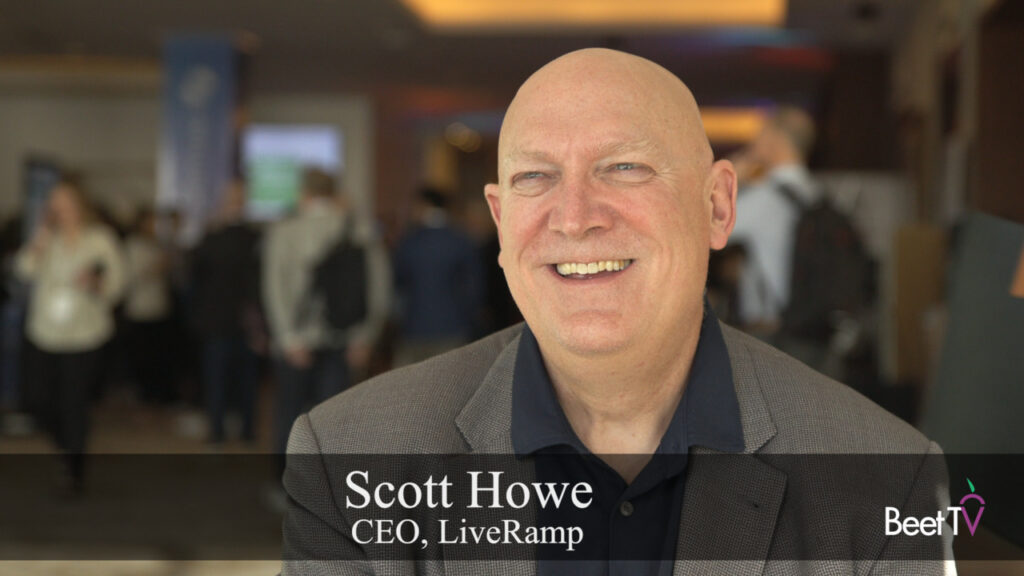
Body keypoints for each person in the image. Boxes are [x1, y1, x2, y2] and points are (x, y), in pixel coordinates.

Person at [282, 49, 951, 574]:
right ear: (501, 220)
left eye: (625, 167)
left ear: (717, 207)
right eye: (536, 176)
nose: (575, 218)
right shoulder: (346, 458)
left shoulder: (887, 480)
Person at [263, 168, 391, 466]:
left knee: (291, 415)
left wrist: (287, 338)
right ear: (334, 192)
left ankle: (287, 482)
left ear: (303, 193)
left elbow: (274, 288)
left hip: (298, 335)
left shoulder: (285, 231)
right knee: (337, 418)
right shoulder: (360, 229)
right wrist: (366, 335)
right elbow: (378, 287)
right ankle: (334, 484)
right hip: (346, 335)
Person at [14, 179, 125, 491]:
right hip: (45, 332)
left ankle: (74, 468)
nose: (58, 208)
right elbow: (23, 270)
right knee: (39, 400)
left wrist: (96, 283)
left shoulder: (99, 239)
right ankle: (65, 445)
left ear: (78, 204)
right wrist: (39, 240)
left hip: (85, 333)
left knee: (74, 402)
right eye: (54, 203)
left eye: (64, 201)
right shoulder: (47, 238)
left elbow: (118, 283)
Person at [728, 107, 820, 335]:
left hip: (773, 330)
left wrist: (728, 180)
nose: (754, 143)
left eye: (761, 135)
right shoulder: (817, 194)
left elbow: (701, 229)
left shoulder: (764, 199)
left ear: (776, 140)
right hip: (813, 326)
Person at [190, 178, 263, 443]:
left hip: (233, 322)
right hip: (230, 321)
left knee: (231, 380)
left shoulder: (217, 238)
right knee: (231, 380)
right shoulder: (251, 238)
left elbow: (194, 276)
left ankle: (228, 432)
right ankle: (232, 431)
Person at [392, 186, 483, 366]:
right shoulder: (461, 240)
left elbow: (398, 284)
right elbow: (474, 286)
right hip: (453, 327)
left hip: (414, 328)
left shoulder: (410, 242)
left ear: (424, 205)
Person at [123, 208, 174, 403]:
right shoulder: (133, 246)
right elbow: (131, 276)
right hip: (140, 309)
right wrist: (156, 268)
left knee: (158, 354)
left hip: (159, 307)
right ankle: (145, 393)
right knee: (142, 355)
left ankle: (158, 393)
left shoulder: (157, 244)